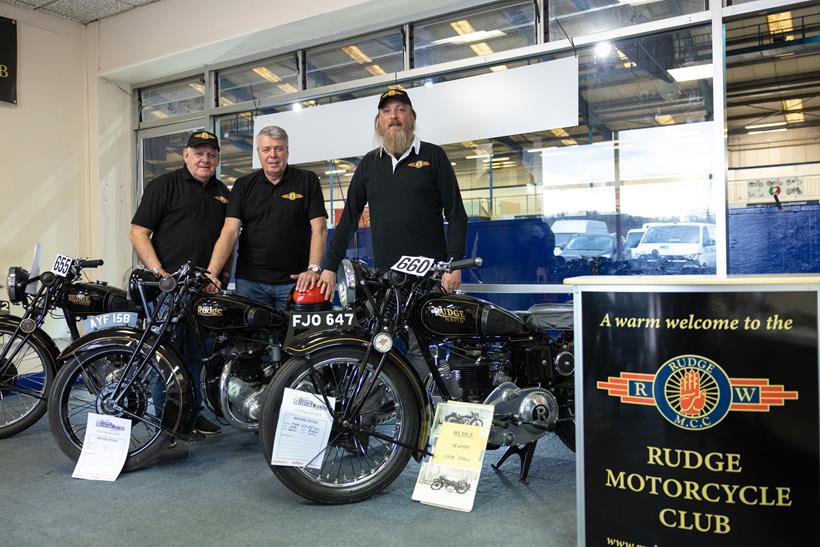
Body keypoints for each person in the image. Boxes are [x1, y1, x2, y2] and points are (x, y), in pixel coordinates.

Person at [319, 88, 468, 375]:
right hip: (387, 277)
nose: (394, 116)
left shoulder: (433, 156)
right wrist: (328, 266)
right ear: (379, 122)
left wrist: (453, 264)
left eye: (400, 109)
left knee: (422, 348)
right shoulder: (369, 164)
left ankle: (426, 410)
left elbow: (456, 213)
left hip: (430, 276)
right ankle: (380, 411)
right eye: (387, 112)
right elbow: (349, 218)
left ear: (412, 117)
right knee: (377, 343)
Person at [129, 130, 229, 436]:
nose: (205, 159)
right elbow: (138, 232)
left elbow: (229, 241)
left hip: (204, 290)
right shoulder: (163, 186)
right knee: (166, 357)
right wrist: (161, 274)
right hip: (169, 290)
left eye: (211, 154)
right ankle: (166, 423)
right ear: (186, 155)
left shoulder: (223, 193)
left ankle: (192, 415)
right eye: (199, 153)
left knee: (197, 357)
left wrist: (219, 277)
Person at [206, 126, 328, 309]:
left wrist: (314, 269)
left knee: (294, 337)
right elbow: (230, 232)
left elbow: (319, 228)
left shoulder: (307, 180)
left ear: (287, 151)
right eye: (266, 149)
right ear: (258, 153)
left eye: (279, 148)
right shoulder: (242, 186)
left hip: (295, 282)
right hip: (250, 282)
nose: (273, 155)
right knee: (252, 338)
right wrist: (212, 273)